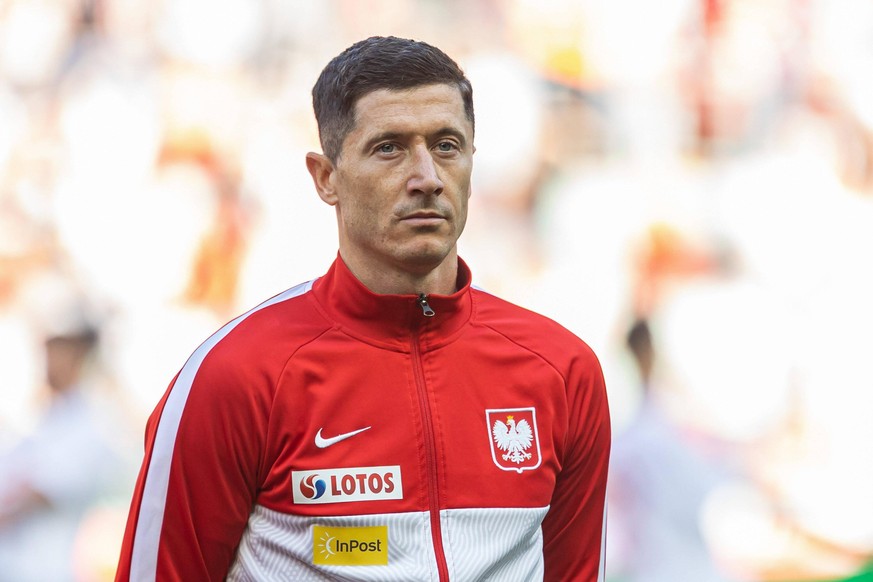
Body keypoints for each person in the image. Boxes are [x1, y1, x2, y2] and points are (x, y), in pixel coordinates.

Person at [115, 36, 610, 581]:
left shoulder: (561, 370)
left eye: (447, 145)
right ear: (326, 177)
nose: (426, 177)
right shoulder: (236, 376)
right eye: (389, 148)